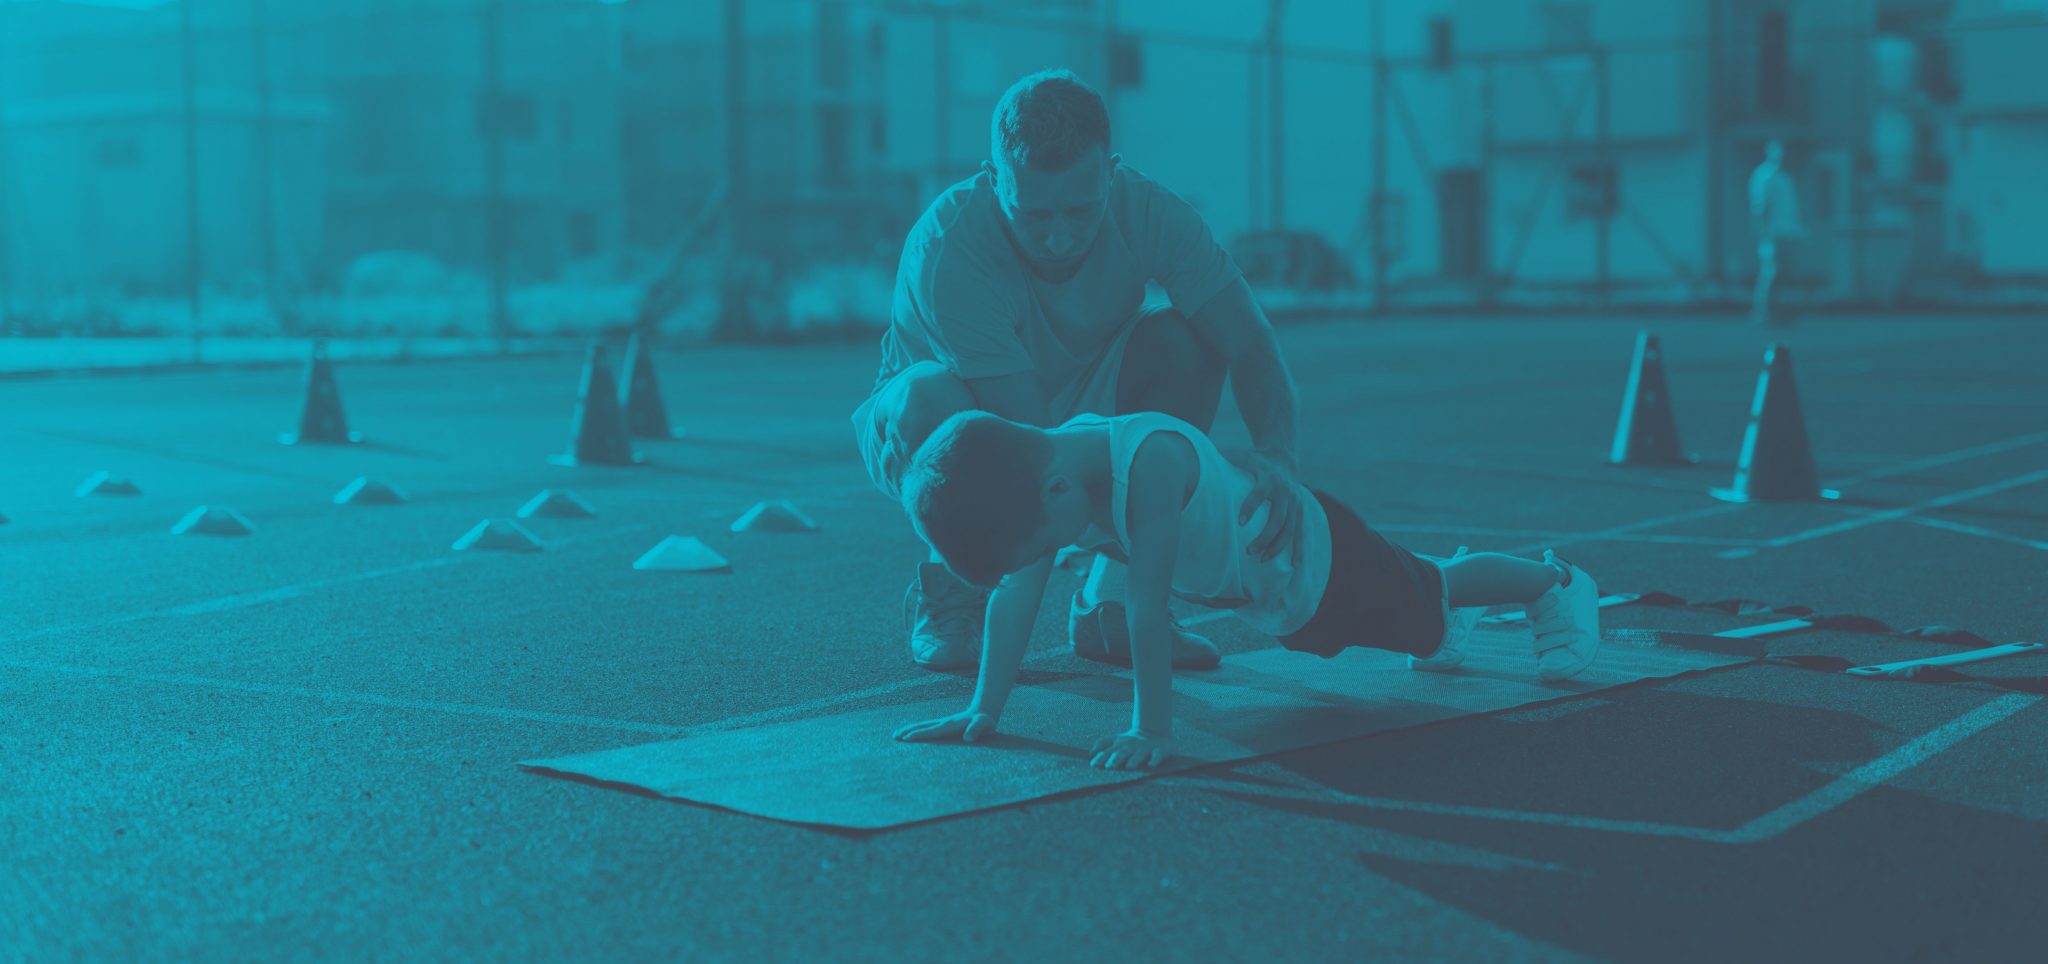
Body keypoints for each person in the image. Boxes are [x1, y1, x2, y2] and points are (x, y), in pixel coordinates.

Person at [852, 69, 1307, 672]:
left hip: (1077, 393)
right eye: (1034, 214)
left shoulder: (1151, 211)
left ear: (1110, 174)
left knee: (1187, 342)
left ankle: (1112, 603)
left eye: (1080, 210)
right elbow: (1030, 451)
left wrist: (1277, 456)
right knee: (932, 399)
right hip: (946, 420)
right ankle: (954, 594)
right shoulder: (949, 248)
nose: (1060, 239)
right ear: (995, 179)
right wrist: (1154, 509)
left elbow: (1248, 340)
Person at [889, 410, 1603, 770]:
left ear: (1055, 490)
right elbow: (1015, 595)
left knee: (1432, 600)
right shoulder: (1050, 480)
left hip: (1321, 558)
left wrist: (1151, 729)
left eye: (1045, 547)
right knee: (1407, 616)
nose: (1050, 558)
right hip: (1275, 594)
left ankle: (1556, 582)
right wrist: (982, 708)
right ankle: (1444, 601)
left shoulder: (1148, 464)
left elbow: (1146, 607)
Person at [1749, 140, 1806, 327]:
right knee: (1771, 272)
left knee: (1789, 275)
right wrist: (1763, 233)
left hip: (1790, 232)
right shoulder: (1765, 175)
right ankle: (1763, 313)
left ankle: (1785, 314)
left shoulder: (1785, 177)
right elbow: (1760, 207)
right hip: (1774, 233)